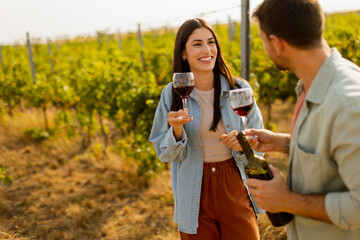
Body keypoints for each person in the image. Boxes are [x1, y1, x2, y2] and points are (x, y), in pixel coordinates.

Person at [244, 0, 360, 239]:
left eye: (263, 41)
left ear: (277, 43)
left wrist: (286, 201)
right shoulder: (311, 87)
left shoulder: (348, 104)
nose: (264, 48)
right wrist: (280, 143)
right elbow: (328, 152)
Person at [149, 18, 264, 239]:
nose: (207, 49)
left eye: (211, 42)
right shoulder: (171, 94)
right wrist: (176, 132)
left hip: (234, 181)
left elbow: (259, 145)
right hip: (193, 187)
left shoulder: (239, 89)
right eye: (197, 44)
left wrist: (243, 145)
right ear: (183, 53)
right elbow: (165, 154)